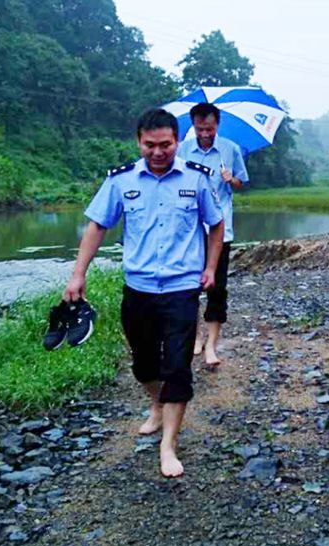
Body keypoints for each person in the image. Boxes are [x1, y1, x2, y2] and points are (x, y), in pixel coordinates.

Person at [63, 108, 224, 477]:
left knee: (178, 368)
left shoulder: (196, 178)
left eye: (165, 144)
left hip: (182, 288)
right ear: (138, 142)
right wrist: (78, 275)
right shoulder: (121, 181)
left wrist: (211, 268)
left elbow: (216, 224)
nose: (158, 152)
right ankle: (157, 403)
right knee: (144, 365)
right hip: (139, 288)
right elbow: (96, 226)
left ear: (177, 141)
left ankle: (168, 446)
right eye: (150, 145)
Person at [176, 102, 249, 367]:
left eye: (209, 128)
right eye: (200, 129)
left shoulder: (230, 149)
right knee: (190, 287)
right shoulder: (183, 150)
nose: (205, 134)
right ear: (193, 126)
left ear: (217, 125)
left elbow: (242, 183)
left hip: (220, 230)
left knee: (217, 288)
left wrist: (231, 179)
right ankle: (196, 337)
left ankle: (211, 345)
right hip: (190, 230)